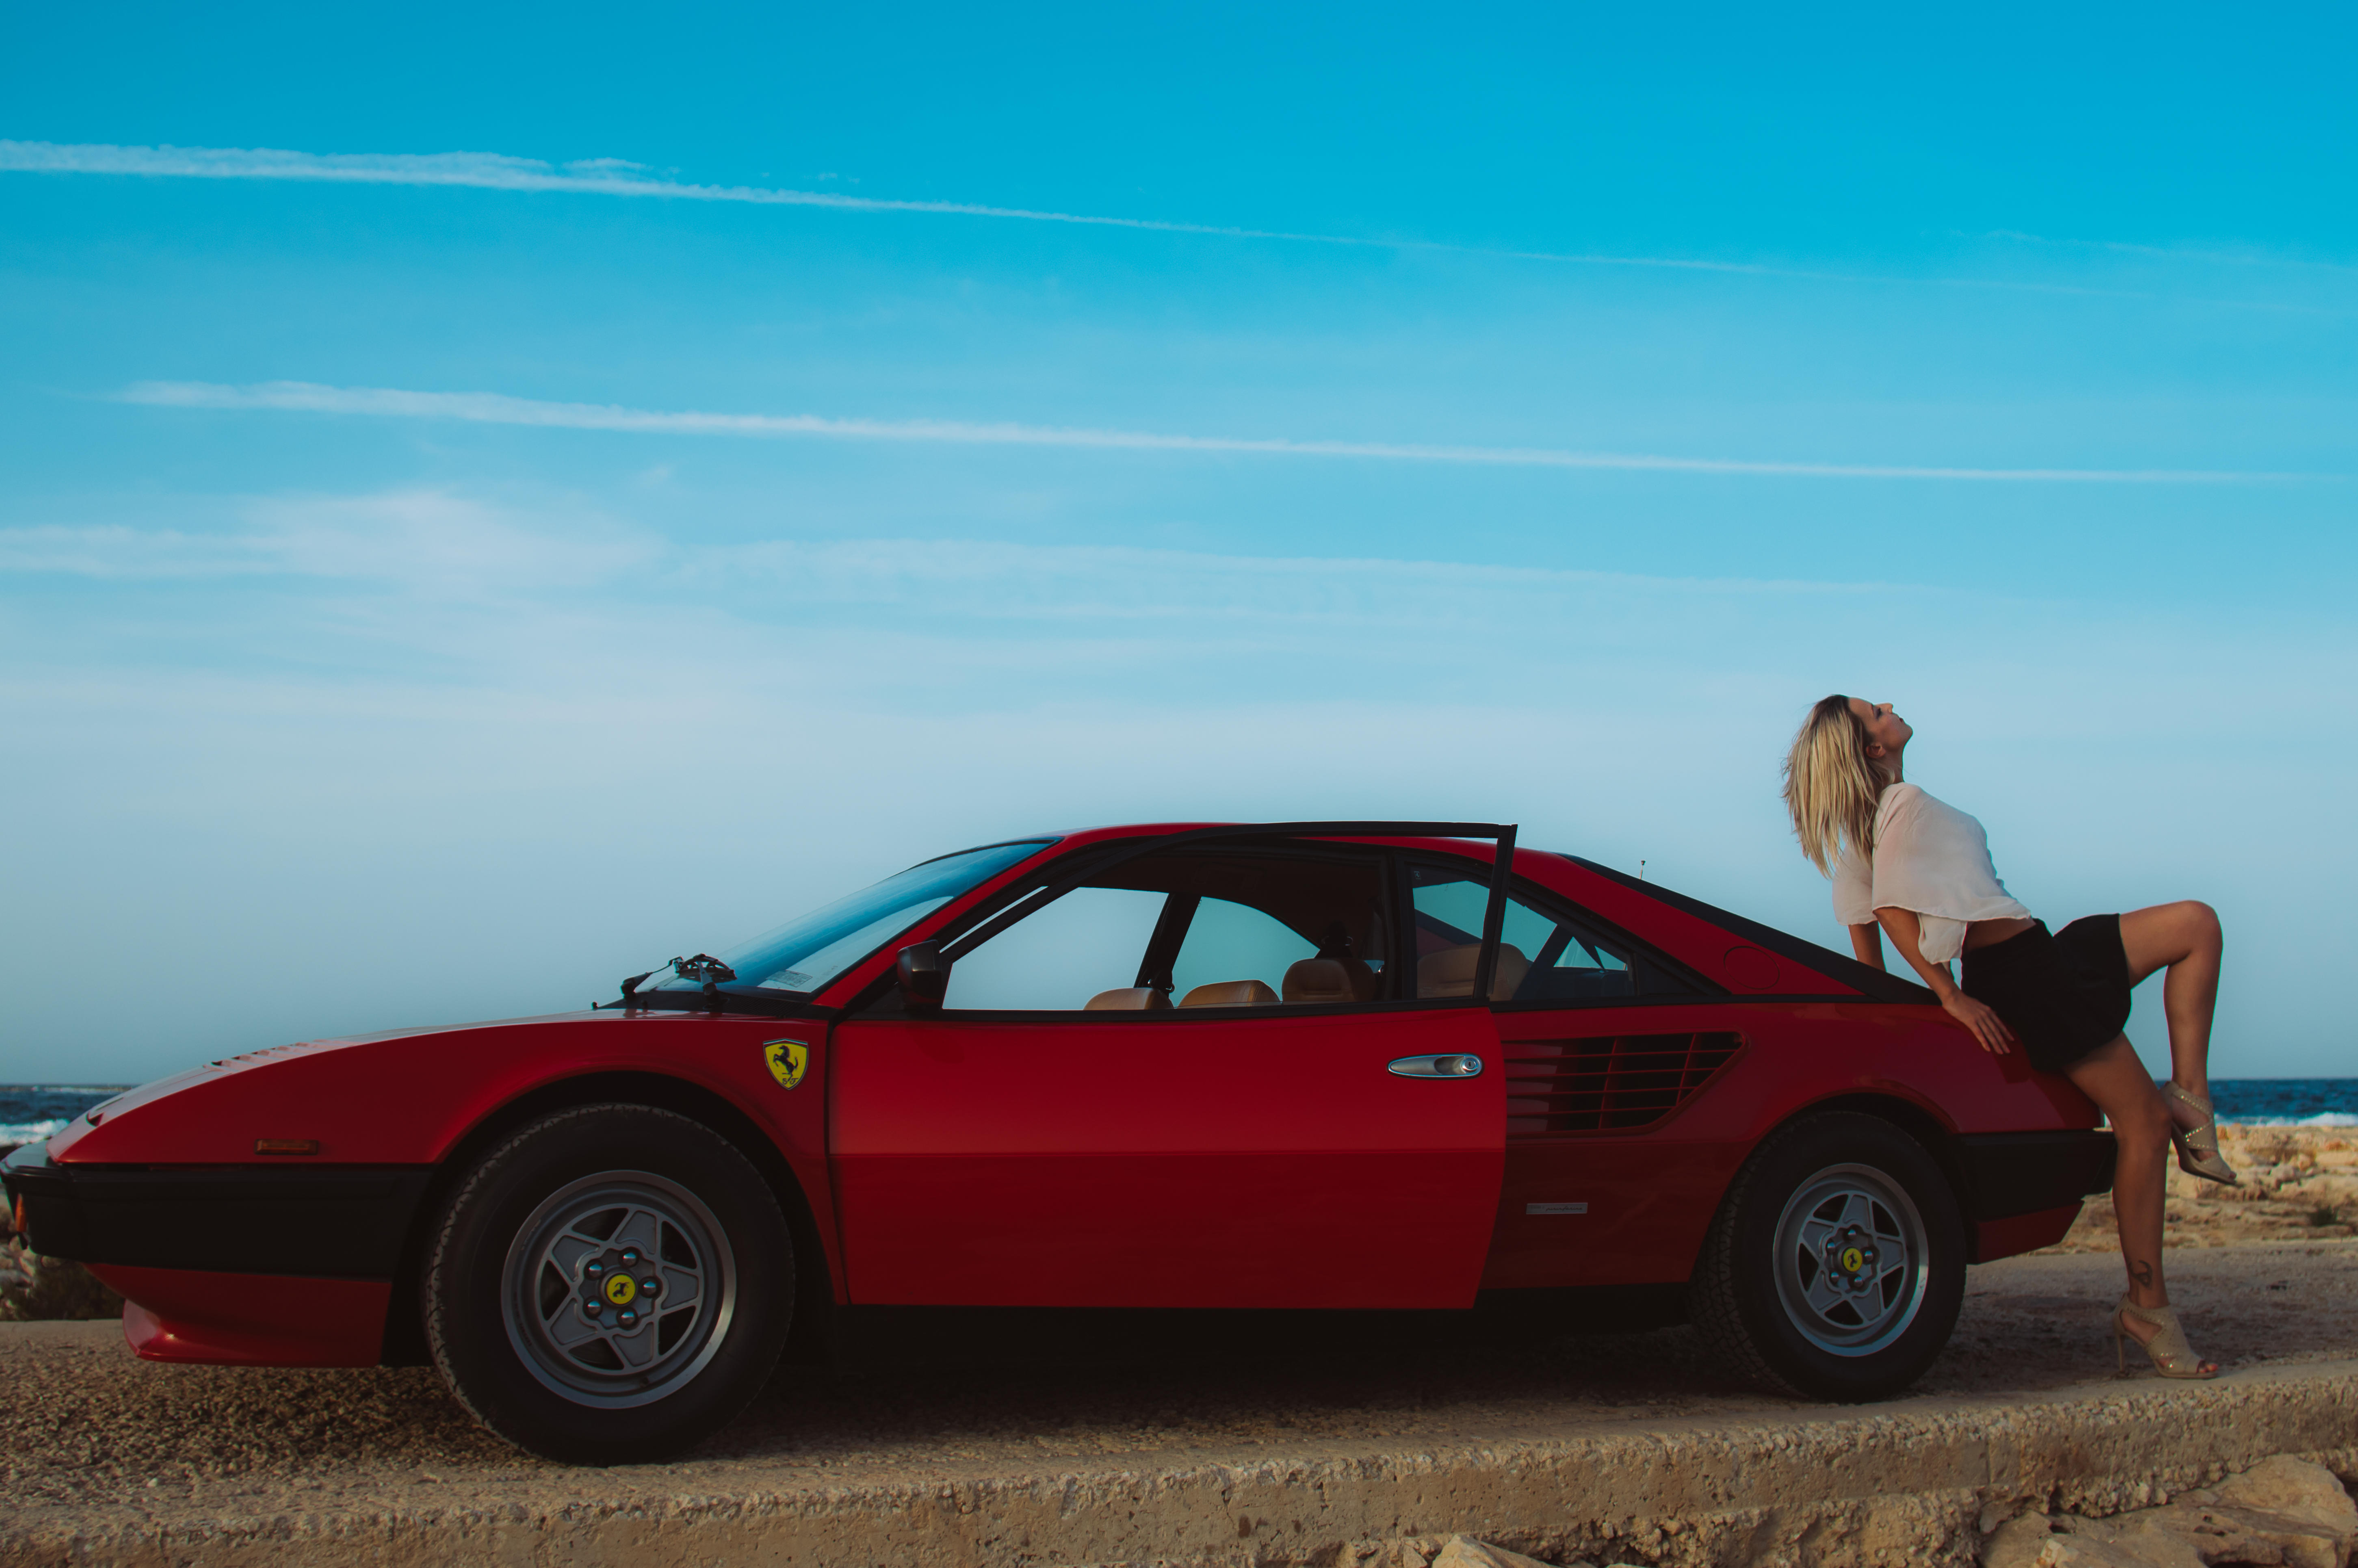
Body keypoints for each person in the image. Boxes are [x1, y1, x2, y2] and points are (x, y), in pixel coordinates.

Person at [1781, 694, 2230, 1379]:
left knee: (2195, 925)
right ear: (1873, 747)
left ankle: (2191, 1098)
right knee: (2139, 1127)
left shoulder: (1873, 823)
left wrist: (1910, 1009)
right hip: (2019, 977)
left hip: (2040, 950)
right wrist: (1950, 1000)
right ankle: (2147, 1307)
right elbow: (1888, 911)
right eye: (1875, 711)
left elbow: (1864, 956)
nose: (1890, 706)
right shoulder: (1898, 810)